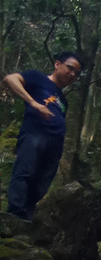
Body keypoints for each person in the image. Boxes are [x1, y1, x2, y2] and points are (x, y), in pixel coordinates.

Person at [4, 51, 84, 220]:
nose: (72, 75)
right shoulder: (38, 78)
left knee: (41, 184)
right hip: (34, 134)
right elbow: (10, 79)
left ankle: (27, 217)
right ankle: (14, 215)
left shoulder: (63, 100)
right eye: (70, 68)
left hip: (54, 145)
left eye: (76, 73)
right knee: (24, 172)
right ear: (57, 64)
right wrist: (33, 102)